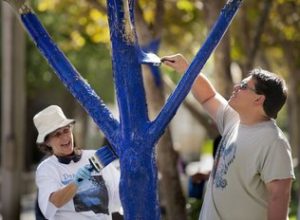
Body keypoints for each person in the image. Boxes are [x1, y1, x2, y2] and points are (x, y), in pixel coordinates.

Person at [162, 54, 295, 220]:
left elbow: (279, 196)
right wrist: (186, 69)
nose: (236, 86)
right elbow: (208, 96)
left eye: (244, 86)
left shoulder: (274, 142)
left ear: (259, 99)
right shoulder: (233, 119)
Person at [33, 105, 122, 220]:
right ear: (47, 142)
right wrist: (78, 181)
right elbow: (55, 202)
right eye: (57, 134)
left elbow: (121, 196)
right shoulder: (46, 169)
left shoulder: (94, 157)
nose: (65, 137)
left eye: (66, 130)